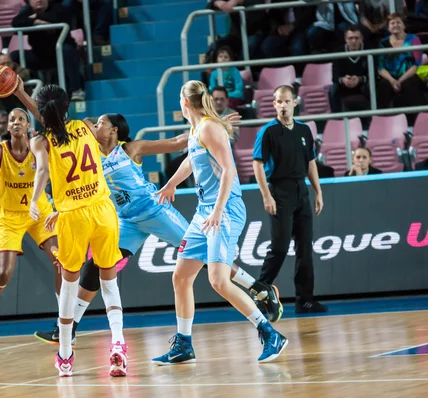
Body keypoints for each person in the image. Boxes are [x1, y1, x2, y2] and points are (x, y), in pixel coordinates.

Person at [34, 113, 283, 345]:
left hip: (155, 212)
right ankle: (67, 329)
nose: (95, 126)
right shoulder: (91, 155)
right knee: (94, 267)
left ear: (114, 130)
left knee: (205, 256)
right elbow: (85, 188)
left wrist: (212, 128)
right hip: (126, 221)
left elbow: (176, 142)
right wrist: (61, 210)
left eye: (100, 123)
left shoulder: (132, 149)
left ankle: (259, 288)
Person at [151, 80, 288, 366]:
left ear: (184, 102)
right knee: (181, 276)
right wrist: (171, 185)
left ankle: (269, 332)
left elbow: (228, 171)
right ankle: (184, 345)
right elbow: (192, 160)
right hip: (205, 211)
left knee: (218, 281)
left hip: (224, 210)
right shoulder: (197, 129)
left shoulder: (209, 128)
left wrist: (218, 210)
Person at [14, 81, 126, 377]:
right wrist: (21, 94)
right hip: (103, 211)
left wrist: (36, 200)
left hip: (73, 217)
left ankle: (65, 356)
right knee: (109, 283)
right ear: (67, 107)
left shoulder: (40, 142)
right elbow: (52, 116)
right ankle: (118, 345)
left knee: (69, 284)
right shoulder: (86, 126)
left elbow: (42, 171)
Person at [0, 108, 62, 345]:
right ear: (7, 127)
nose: (16, 122)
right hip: (10, 216)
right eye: (12, 120)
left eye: (21, 119)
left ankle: (63, 322)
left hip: (39, 212)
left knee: (61, 260)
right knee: (4, 273)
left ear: (28, 126)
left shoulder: (38, 148)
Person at [252, 85, 328, 315]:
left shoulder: (305, 130)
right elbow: (258, 163)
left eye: (287, 101)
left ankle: (305, 300)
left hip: (301, 191)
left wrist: (318, 191)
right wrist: (267, 195)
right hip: (279, 191)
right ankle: (259, 293)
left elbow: (311, 163)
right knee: (279, 247)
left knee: (305, 247)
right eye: (278, 102)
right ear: (274, 104)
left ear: (295, 102)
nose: (283, 105)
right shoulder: (267, 132)